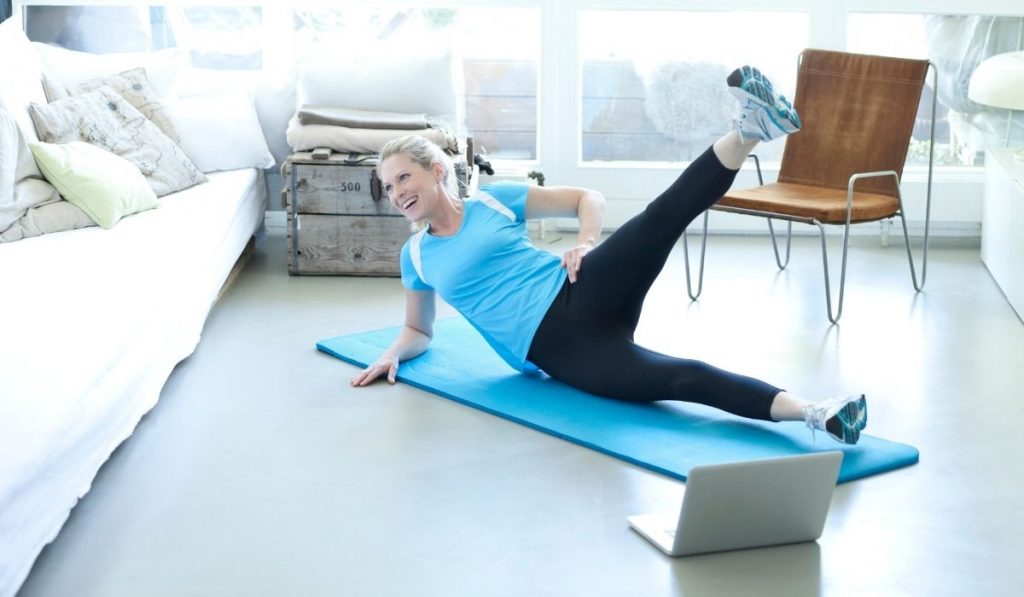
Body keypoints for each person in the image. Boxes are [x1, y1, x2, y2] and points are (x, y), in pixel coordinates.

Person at [350, 66, 868, 445]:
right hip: (559, 348)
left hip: (580, 285)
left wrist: (585, 241)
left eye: (404, 178)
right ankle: (818, 413)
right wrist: (393, 353)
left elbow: (585, 200)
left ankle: (752, 127)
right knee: (679, 377)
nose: (396, 193)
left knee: (662, 216)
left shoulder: (492, 199)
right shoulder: (416, 256)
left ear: (436, 172)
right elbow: (419, 330)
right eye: (388, 187)